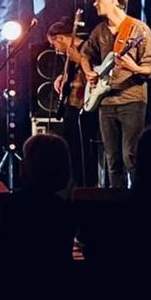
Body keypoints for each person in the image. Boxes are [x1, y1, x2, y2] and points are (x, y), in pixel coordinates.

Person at [80, 0, 151, 188]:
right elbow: (85, 55)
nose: (94, 3)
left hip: (131, 99)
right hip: (105, 101)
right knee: (112, 159)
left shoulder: (139, 30)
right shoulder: (99, 30)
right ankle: (116, 199)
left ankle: (140, 197)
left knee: (130, 155)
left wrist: (135, 67)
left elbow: (150, 67)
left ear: (115, 1)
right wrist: (89, 72)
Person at [47, 19, 99, 187]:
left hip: (84, 106)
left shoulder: (87, 48)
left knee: (82, 151)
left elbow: (95, 74)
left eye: (54, 44)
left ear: (61, 38)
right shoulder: (69, 55)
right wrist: (62, 77)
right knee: (71, 150)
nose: (55, 49)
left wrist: (79, 60)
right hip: (71, 105)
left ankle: (86, 186)